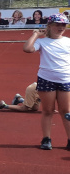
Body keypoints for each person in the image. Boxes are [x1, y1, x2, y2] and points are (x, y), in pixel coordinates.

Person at [23, 14, 70, 150]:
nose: (61, 27)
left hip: (65, 80)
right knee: (48, 111)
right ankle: (46, 139)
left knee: (66, 111)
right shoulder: (42, 42)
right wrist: (36, 35)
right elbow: (27, 49)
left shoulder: (68, 41)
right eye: (57, 24)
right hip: (46, 79)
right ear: (49, 26)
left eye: (63, 25)